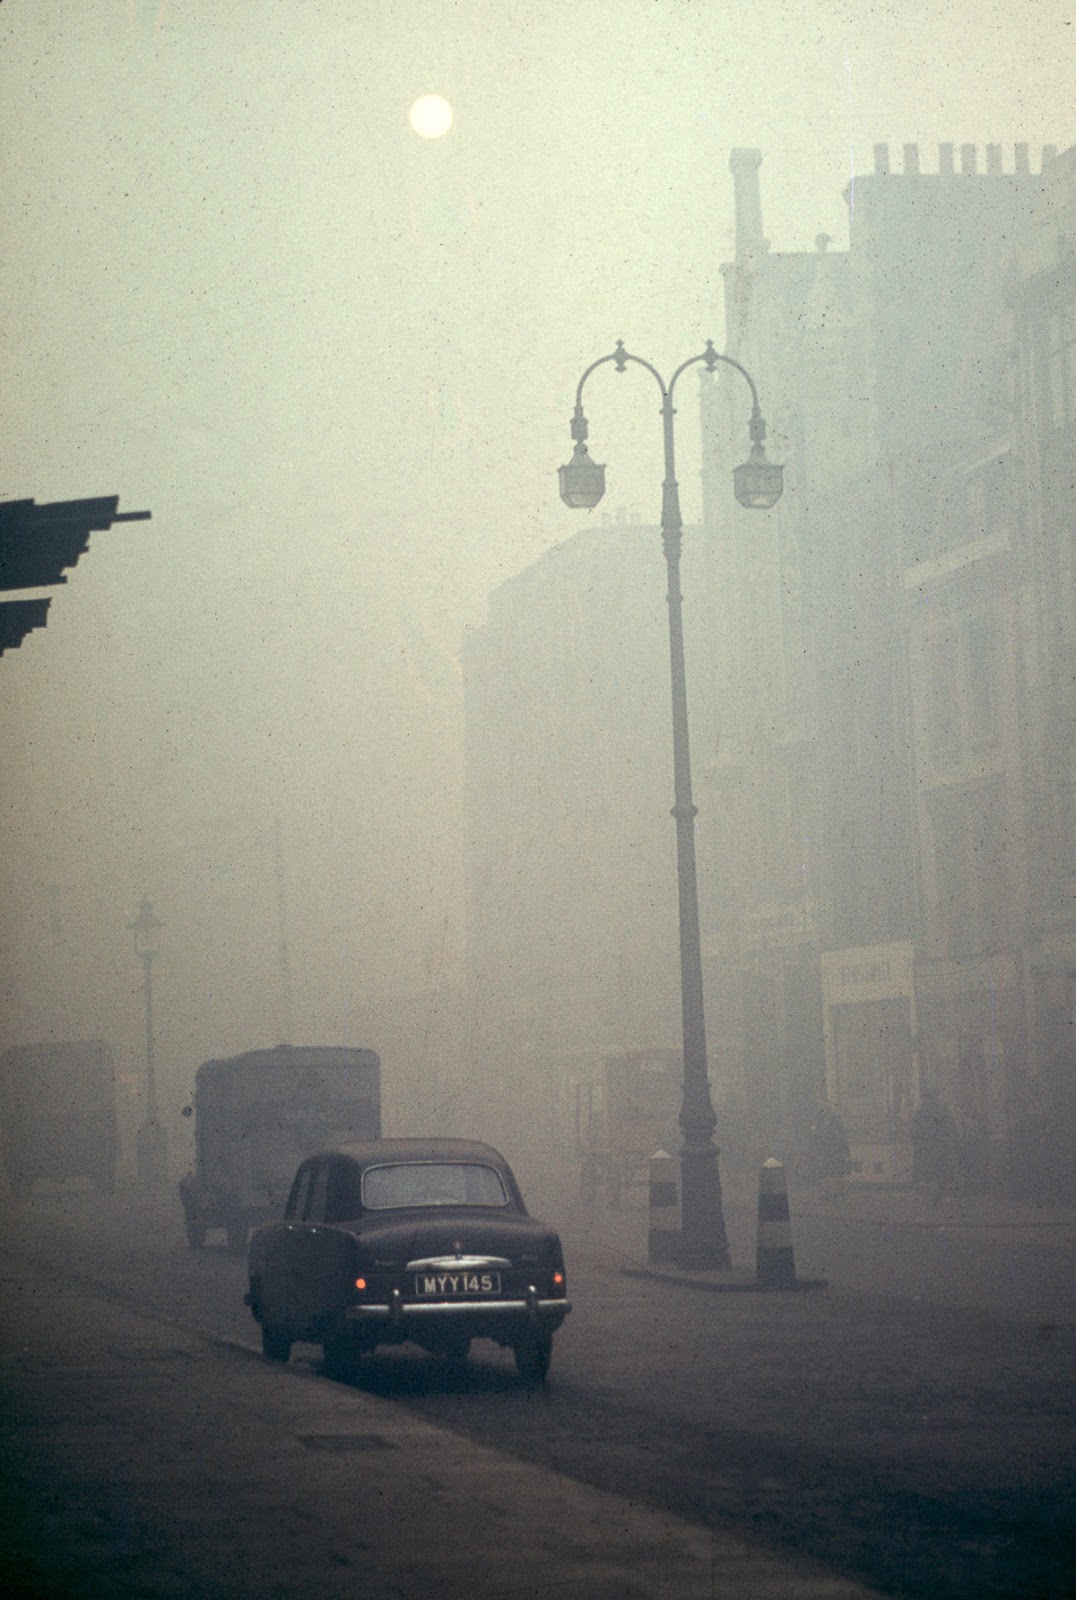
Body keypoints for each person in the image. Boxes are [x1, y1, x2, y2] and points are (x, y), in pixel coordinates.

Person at [910, 1089, 957, 1206]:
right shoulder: (942, 1111)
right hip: (935, 1146)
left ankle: (933, 1197)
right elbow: (950, 1128)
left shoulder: (922, 1112)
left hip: (931, 1146)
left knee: (931, 1172)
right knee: (936, 1172)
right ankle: (935, 1197)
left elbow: (914, 1129)